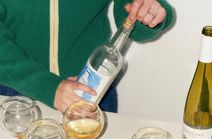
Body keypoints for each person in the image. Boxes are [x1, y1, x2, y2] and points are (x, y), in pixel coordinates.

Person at [0, 0, 173, 113]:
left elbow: (133, 21)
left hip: (92, 88)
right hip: (15, 92)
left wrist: (149, 12)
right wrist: (48, 87)